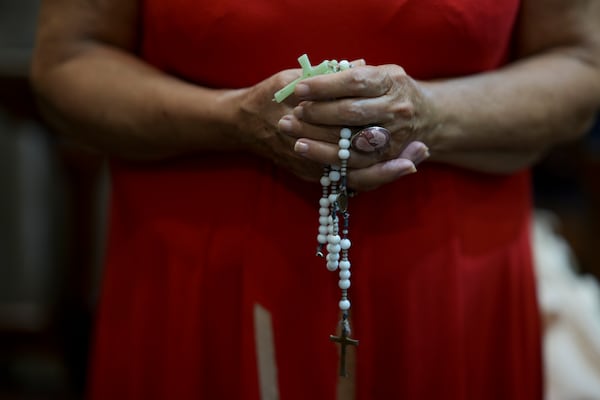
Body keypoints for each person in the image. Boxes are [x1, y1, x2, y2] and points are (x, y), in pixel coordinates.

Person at [30, 0, 600, 399]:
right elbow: (69, 61)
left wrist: (431, 115)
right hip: (197, 269)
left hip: (451, 279)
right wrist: (229, 119)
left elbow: (580, 63)